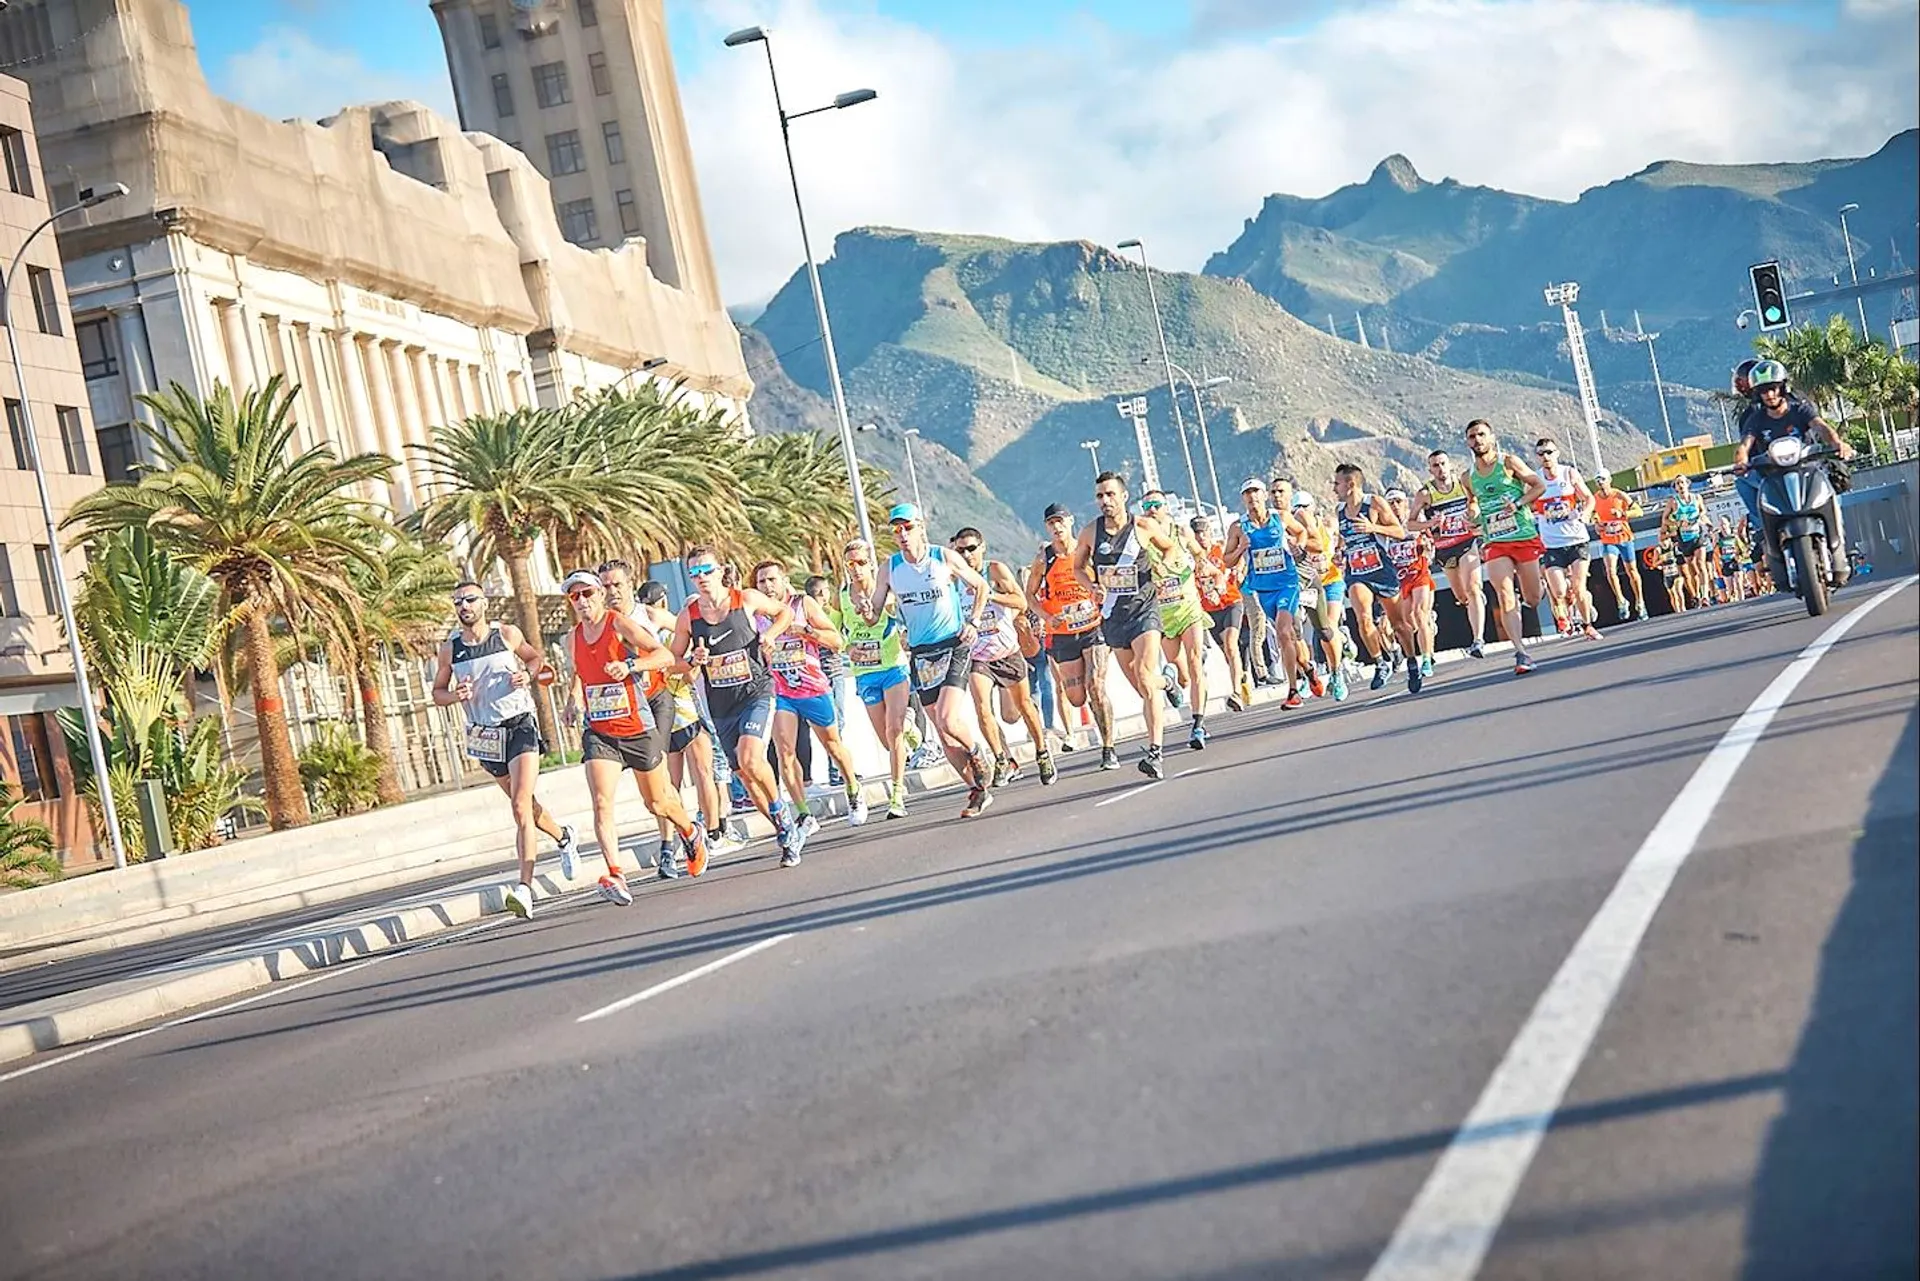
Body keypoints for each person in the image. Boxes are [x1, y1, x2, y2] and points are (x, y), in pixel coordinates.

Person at [430, 582, 579, 920]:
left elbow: (534, 659)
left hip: (520, 725)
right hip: (486, 735)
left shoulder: (506, 634)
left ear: (484, 603)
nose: (464, 606)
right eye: (458, 602)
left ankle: (524, 889)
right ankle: (564, 836)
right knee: (524, 804)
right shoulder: (450, 650)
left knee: (519, 804)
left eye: (469, 600)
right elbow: (437, 693)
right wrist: (456, 695)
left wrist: (527, 675)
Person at [561, 570, 709, 905]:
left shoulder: (619, 625)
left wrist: (630, 667)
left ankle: (690, 831)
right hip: (600, 731)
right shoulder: (573, 637)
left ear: (599, 594)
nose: (582, 601)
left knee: (656, 802)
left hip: (635, 726)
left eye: (587, 593)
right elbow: (580, 671)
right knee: (601, 802)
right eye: (575, 596)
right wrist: (573, 700)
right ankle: (615, 873)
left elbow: (663, 655)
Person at [671, 546, 809, 866]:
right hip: (721, 706)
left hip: (756, 692)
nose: (702, 578)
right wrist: (692, 659)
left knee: (750, 758)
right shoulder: (689, 616)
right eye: (694, 573)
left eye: (707, 570)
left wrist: (771, 634)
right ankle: (784, 830)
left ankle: (783, 814)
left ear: (721, 570)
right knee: (745, 777)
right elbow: (672, 661)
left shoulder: (744, 599)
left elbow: (784, 612)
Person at [860, 502, 999, 818]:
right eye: (897, 529)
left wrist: (974, 621)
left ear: (920, 527)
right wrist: (867, 611)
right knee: (942, 729)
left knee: (950, 718)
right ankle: (976, 789)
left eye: (908, 527)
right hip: (921, 653)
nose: (903, 534)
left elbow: (980, 586)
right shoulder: (890, 568)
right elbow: (874, 614)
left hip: (953, 643)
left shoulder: (942, 558)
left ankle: (979, 754)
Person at [608, 566, 727, 877]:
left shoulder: (653, 616)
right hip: (638, 708)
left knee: (702, 769)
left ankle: (711, 834)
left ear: (629, 584)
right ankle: (670, 845)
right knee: (663, 783)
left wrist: (692, 662)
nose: (612, 592)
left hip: (675, 696)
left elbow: (689, 634)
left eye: (617, 584)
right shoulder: (605, 624)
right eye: (606, 586)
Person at [754, 560, 867, 835]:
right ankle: (803, 814)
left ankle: (853, 787)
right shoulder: (755, 613)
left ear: (784, 580)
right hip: (780, 691)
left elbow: (837, 640)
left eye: (772, 580)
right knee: (785, 751)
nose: (767, 587)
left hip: (812, 685)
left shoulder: (802, 604)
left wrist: (806, 632)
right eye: (761, 582)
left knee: (832, 745)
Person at [1073, 471, 1172, 778]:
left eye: (1111, 494)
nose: (1105, 501)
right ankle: (1167, 681)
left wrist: (1162, 567)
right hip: (1114, 617)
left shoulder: (1143, 526)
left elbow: (1169, 547)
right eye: (1100, 495)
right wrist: (1092, 586)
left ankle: (1155, 753)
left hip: (1145, 610)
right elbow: (1078, 567)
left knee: (1144, 674)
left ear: (1124, 496)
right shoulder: (1090, 532)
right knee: (1145, 687)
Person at [1732, 358, 1854, 587]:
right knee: (1754, 494)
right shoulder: (1754, 419)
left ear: (1782, 387)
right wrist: (1741, 462)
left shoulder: (1800, 408)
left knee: (1831, 499)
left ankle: (1839, 552)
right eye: (1763, 391)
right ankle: (1767, 540)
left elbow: (1821, 426)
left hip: (1808, 469)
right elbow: (1745, 444)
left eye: (1772, 388)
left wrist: (1838, 443)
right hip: (1773, 475)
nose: (1769, 395)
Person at [949, 527, 1056, 785]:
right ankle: (1001, 759)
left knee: (1022, 708)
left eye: (971, 549)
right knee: (982, 709)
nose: (966, 555)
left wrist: (988, 593)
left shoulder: (995, 570)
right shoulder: (953, 580)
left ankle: (1042, 751)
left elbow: (1021, 602)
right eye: (960, 550)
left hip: (1006, 650)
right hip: (977, 656)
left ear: (982, 547)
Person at [1028, 502, 1120, 770]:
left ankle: (1108, 747)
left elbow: (1110, 578)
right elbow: (1030, 595)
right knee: (1076, 698)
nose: (1056, 527)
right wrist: (1046, 617)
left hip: (1094, 626)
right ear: (1046, 527)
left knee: (1096, 687)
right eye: (1051, 523)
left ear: (1070, 522)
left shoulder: (1086, 551)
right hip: (1063, 632)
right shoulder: (1044, 559)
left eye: (1060, 521)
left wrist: (1101, 592)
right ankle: (1100, 735)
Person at [835, 537, 916, 819]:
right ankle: (910, 729)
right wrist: (848, 648)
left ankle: (896, 794)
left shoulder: (887, 593)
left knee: (893, 731)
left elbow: (903, 614)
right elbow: (834, 632)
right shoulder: (842, 596)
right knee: (886, 738)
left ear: (872, 564)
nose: (856, 569)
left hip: (893, 667)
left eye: (861, 563)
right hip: (865, 673)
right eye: (850, 564)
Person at [1464, 418, 1549, 676]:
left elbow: (1539, 485)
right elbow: (1473, 502)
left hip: (1522, 534)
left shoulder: (1508, 462)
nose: (1477, 440)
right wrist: (1473, 516)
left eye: (1481, 435)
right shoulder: (1467, 476)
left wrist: (1519, 502)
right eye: (1472, 437)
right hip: (1495, 540)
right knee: (1504, 593)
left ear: (1492, 438)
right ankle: (1521, 652)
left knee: (1532, 599)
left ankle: (1540, 588)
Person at [1222, 477, 1314, 710]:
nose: (1252, 498)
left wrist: (1296, 545)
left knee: (1283, 631)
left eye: (1256, 493)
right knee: (1288, 638)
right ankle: (1308, 668)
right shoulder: (1238, 527)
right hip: (1263, 589)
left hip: (1287, 583)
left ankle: (1293, 691)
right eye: (1247, 494)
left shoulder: (1279, 517)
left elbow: (1301, 531)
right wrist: (1242, 547)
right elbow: (1227, 560)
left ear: (1264, 496)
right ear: (1243, 499)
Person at [1135, 491, 1214, 749]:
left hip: (1188, 606)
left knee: (1194, 663)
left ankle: (1198, 725)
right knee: (1183, 676)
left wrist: (1202, 565)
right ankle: (1170, 681)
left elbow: (1200, 554)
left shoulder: (1180, 532)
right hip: (1162, 614)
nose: (1151, 509)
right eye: (1147, 506)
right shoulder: (1142, 539)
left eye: (1156, 505)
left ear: (1166, 507)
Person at [1331, 463, 1413, 692]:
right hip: (1357, 573)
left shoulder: (1374, 503)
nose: (1333, 488)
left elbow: (1399, 532)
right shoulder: (1340, 511)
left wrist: (1373, 527)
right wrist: (1339, 553)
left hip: (1381, 570)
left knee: (1399, 624)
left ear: (1351, 484)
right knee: (1363, 618)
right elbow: (1344, 541)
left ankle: (1413, 661)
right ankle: (1380, 662)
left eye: (1336, 483)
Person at [1412, 448, 1488, 658]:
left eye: (1443, 464)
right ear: (1430, 469)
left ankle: (1478, 640)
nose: (1440, 469)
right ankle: (1474, 602)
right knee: (1462, 596)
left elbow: (1476, 502)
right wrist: (1431, 523)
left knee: (1473, 588)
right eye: (1435, 466)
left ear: (1450, 465)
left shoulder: (1463, 486)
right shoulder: (1426, 494)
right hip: (1445, 550)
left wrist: (1472, 514)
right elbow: (1411, 523)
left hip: (1466, 542)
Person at [1531, 437, 1602, 640]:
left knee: (1579, 587)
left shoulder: (1568, 473)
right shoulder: (1535, 480)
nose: (1546, 457)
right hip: (1552, 543)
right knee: (1559, 591)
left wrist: (1585, 513)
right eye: (1541, 453)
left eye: (1549, 452)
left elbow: (1589, 498)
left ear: (1557, 453)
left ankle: (1588, 626)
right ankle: (1565, 618)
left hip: (1576, 539)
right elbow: (1526, 503)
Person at [1192, 513, 1250, 711]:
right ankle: (1241, 677)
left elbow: (1238, 558)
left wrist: (1239, 571)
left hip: (1231, 602)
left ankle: (1235, 693)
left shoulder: (1219, 549)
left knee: (1231, 644)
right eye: (1197, 534)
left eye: (1203, 533)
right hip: (1210, 610)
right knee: (1227, 653)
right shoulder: (1193, 560)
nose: (1201, 538)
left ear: (1209, 533)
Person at [1381, 490, 1437, 685]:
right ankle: (1428, 631)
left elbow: (1432, 541)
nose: (1395, 506)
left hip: (1419, 573)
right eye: (1391, 503)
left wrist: (1429, 550)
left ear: (1406, 503)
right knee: (1407, 624)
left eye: (1398, 501)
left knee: (1420, 613)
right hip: (1400, 580)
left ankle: (1427, 659)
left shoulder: (1415, 523)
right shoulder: (1384, 529)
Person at [1590, 473, 1646, 622]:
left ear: (1609, 480)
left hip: (1625, 539)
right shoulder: (1594, 499)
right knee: (1610, 571)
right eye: (1598, 481)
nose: (1601, 483)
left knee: (1632, 571)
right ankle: (1621, 601)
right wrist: (1597, 524)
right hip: (1608, 540)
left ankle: (1640, 601)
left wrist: (1622, 513)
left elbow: (1639, 511)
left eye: (1603, 480)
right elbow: (1592, 516)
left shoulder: (1620, 495)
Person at [1660, 474, 1713, 608]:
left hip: (1697, 534)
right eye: (1678, 483)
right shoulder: (1673, 501)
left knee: (1701, 564)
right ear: (1675, 488)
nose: (1681, 485)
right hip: (1684, 538)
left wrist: (1705, 521)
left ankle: (1705, 596)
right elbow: (1664, 519)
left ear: (1688, 484)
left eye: (1682, 482)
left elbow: (1703, 511)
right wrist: (1677, 522)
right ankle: (1698, 595)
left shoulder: (1697, 498)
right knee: (1692, 568)